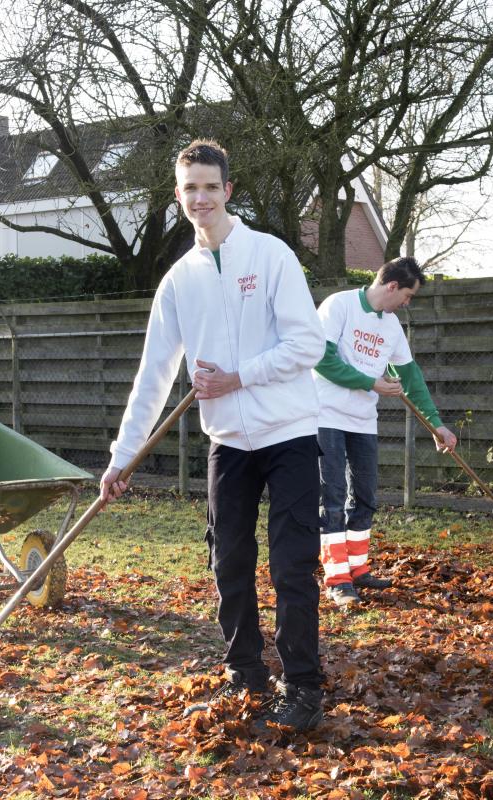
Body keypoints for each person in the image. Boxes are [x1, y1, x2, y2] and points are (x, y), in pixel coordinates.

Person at [100, 140, 327, 733]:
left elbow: (309, 344)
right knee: (229, 559)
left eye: (210, 186)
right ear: (178, 198)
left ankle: (303, 685)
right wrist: (122, 459)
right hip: (229, 445)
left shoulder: (271, 255)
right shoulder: (178, 282)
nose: (200, 197)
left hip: (291, 435)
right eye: (189, 189)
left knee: (291, 565)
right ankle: (245, 670)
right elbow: (153, 375)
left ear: (228, 190)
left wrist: (239, 377)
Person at [313, 257, 457, 607]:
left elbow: (411, 378)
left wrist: (436, 425)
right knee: (331, 498)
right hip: (324, 415)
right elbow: (321, 358)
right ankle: (337, 578)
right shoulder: (339, 305)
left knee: (365, 496)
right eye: (408, 295)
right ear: (392, 286)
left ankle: (358, 569)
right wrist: (371, 383)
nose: (407, 303)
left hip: (363, 421)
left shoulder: (391, 327)